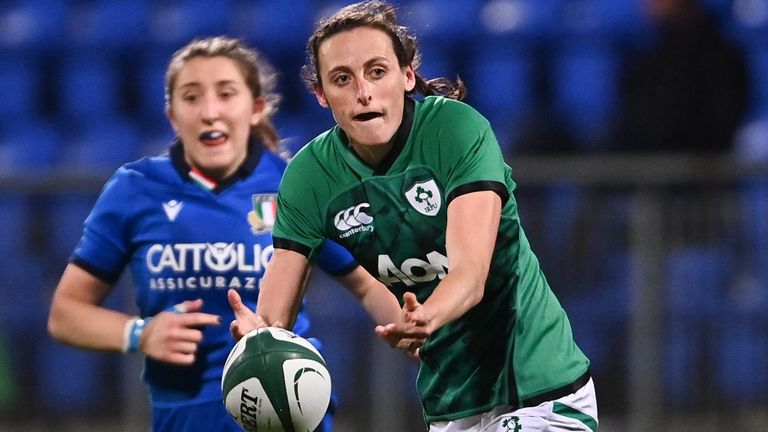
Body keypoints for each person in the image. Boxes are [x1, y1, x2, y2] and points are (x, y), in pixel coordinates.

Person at [228, 2, 598, 431]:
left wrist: (427, 316)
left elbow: (470, 274)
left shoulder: (456, 130)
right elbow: (276, 315)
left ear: (407, 76)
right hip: (451, 406)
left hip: (540, 388)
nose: (363, 92)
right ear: (321, 95)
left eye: (377, 71)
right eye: (342, 79)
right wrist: (259, 339)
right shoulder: (310, 177)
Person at [46, 36, 390, 432]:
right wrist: (139, 333)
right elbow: (65, 314)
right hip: (184, 417)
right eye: (191, 98)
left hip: (288, 412)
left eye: (226, 94)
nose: (210, 112)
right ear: (173, 116)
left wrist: (421, 339)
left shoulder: (296, 183)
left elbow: (368, 285)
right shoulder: (134, 189)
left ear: (256, 107)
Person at [613, 0, 749, 153]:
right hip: (645, 168)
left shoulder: (721, 58)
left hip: (693, 169)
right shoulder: (646, 57)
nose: (648, 3)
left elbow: (717, 129)